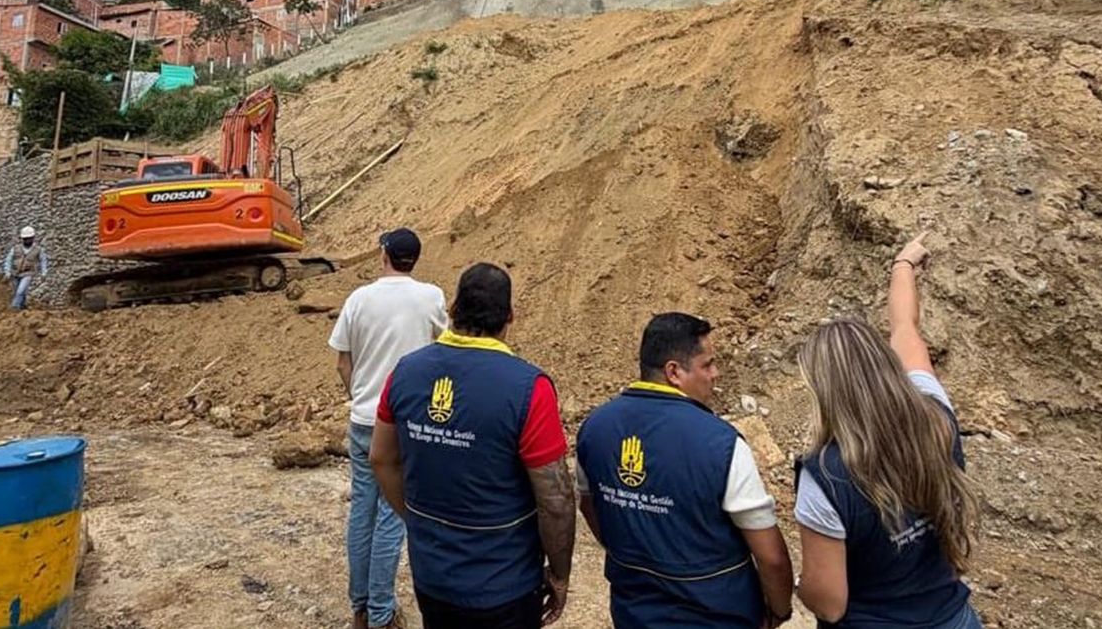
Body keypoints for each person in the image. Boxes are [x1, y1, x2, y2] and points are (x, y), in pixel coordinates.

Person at [370, 263, 575, 629]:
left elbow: (382, 460)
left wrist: (420, 522)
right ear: (510, 316)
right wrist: (559, 574)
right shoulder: (529, 388)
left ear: (451, 309)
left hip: (432, 577)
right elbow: (555, 499)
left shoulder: (404, 372)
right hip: (506, 585)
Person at [793, 233, 982, 629]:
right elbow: (904, 327)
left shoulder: (824, 476)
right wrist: (903, 265)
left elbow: (829, 604)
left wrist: (799, 586)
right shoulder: (935, 416)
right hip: (954, 618)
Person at [576, 312, 795, 629]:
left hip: (634, 613)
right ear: (674, 372)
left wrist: (628, 552)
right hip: (718, 616)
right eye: (707, 364)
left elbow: (588, 504)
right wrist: (779, 610)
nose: (715, 374)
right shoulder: (722, 443)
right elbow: (771, 557)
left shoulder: (594, 429)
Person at [328, 228, 448, 629]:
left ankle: (361, 607)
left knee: (362, 512)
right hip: (404, 426)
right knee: (393, 516)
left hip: (364, 421)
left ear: (383, 255)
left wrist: (361, 395)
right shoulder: (430, 296)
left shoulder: (358, 299)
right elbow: (445, 350)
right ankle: (381, 613)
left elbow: (343, 362)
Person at [2, 226, 49, 310]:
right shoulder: (15, 248)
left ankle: (15, 307)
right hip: (15, 273)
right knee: (18, 292)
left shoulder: (38, 250)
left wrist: (44, 272)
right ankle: (23, 307)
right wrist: (7, 272)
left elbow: (43, 261)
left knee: (21, 290)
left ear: (33, 238)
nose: (27, 240)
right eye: (25, 239)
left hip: (28, 273)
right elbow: (8, 260)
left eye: (29, 238)